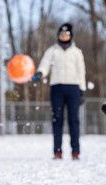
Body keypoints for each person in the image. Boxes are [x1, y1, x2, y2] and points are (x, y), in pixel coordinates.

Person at [33, 23, 86, 160]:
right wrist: (40, 73)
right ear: (58, 35)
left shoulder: (77, 52)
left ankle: (75, 151)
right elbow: (45, 64)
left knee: (74, 120)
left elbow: (81, 71)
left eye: (66, 34)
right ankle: (57, 151)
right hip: (56, 88)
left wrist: (82, 89)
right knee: (57, 120)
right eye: (61, 34)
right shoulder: (52, 50)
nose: (63, 36)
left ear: (70, 36)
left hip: (73, 88)